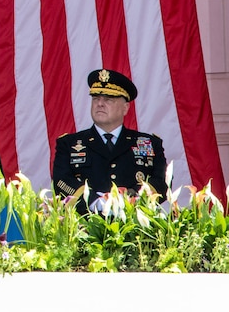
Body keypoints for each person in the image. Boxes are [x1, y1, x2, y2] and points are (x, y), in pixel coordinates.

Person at [51, 68, 167, 209]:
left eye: (108, 99)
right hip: (85, 225)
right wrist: (96, 203)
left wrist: (133, 199)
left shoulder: (150, 144)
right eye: (96, 99)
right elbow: (61, 182)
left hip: (135, 224)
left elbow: (162, 182)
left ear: (125, 108)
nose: (100, 103)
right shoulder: (69, 144)